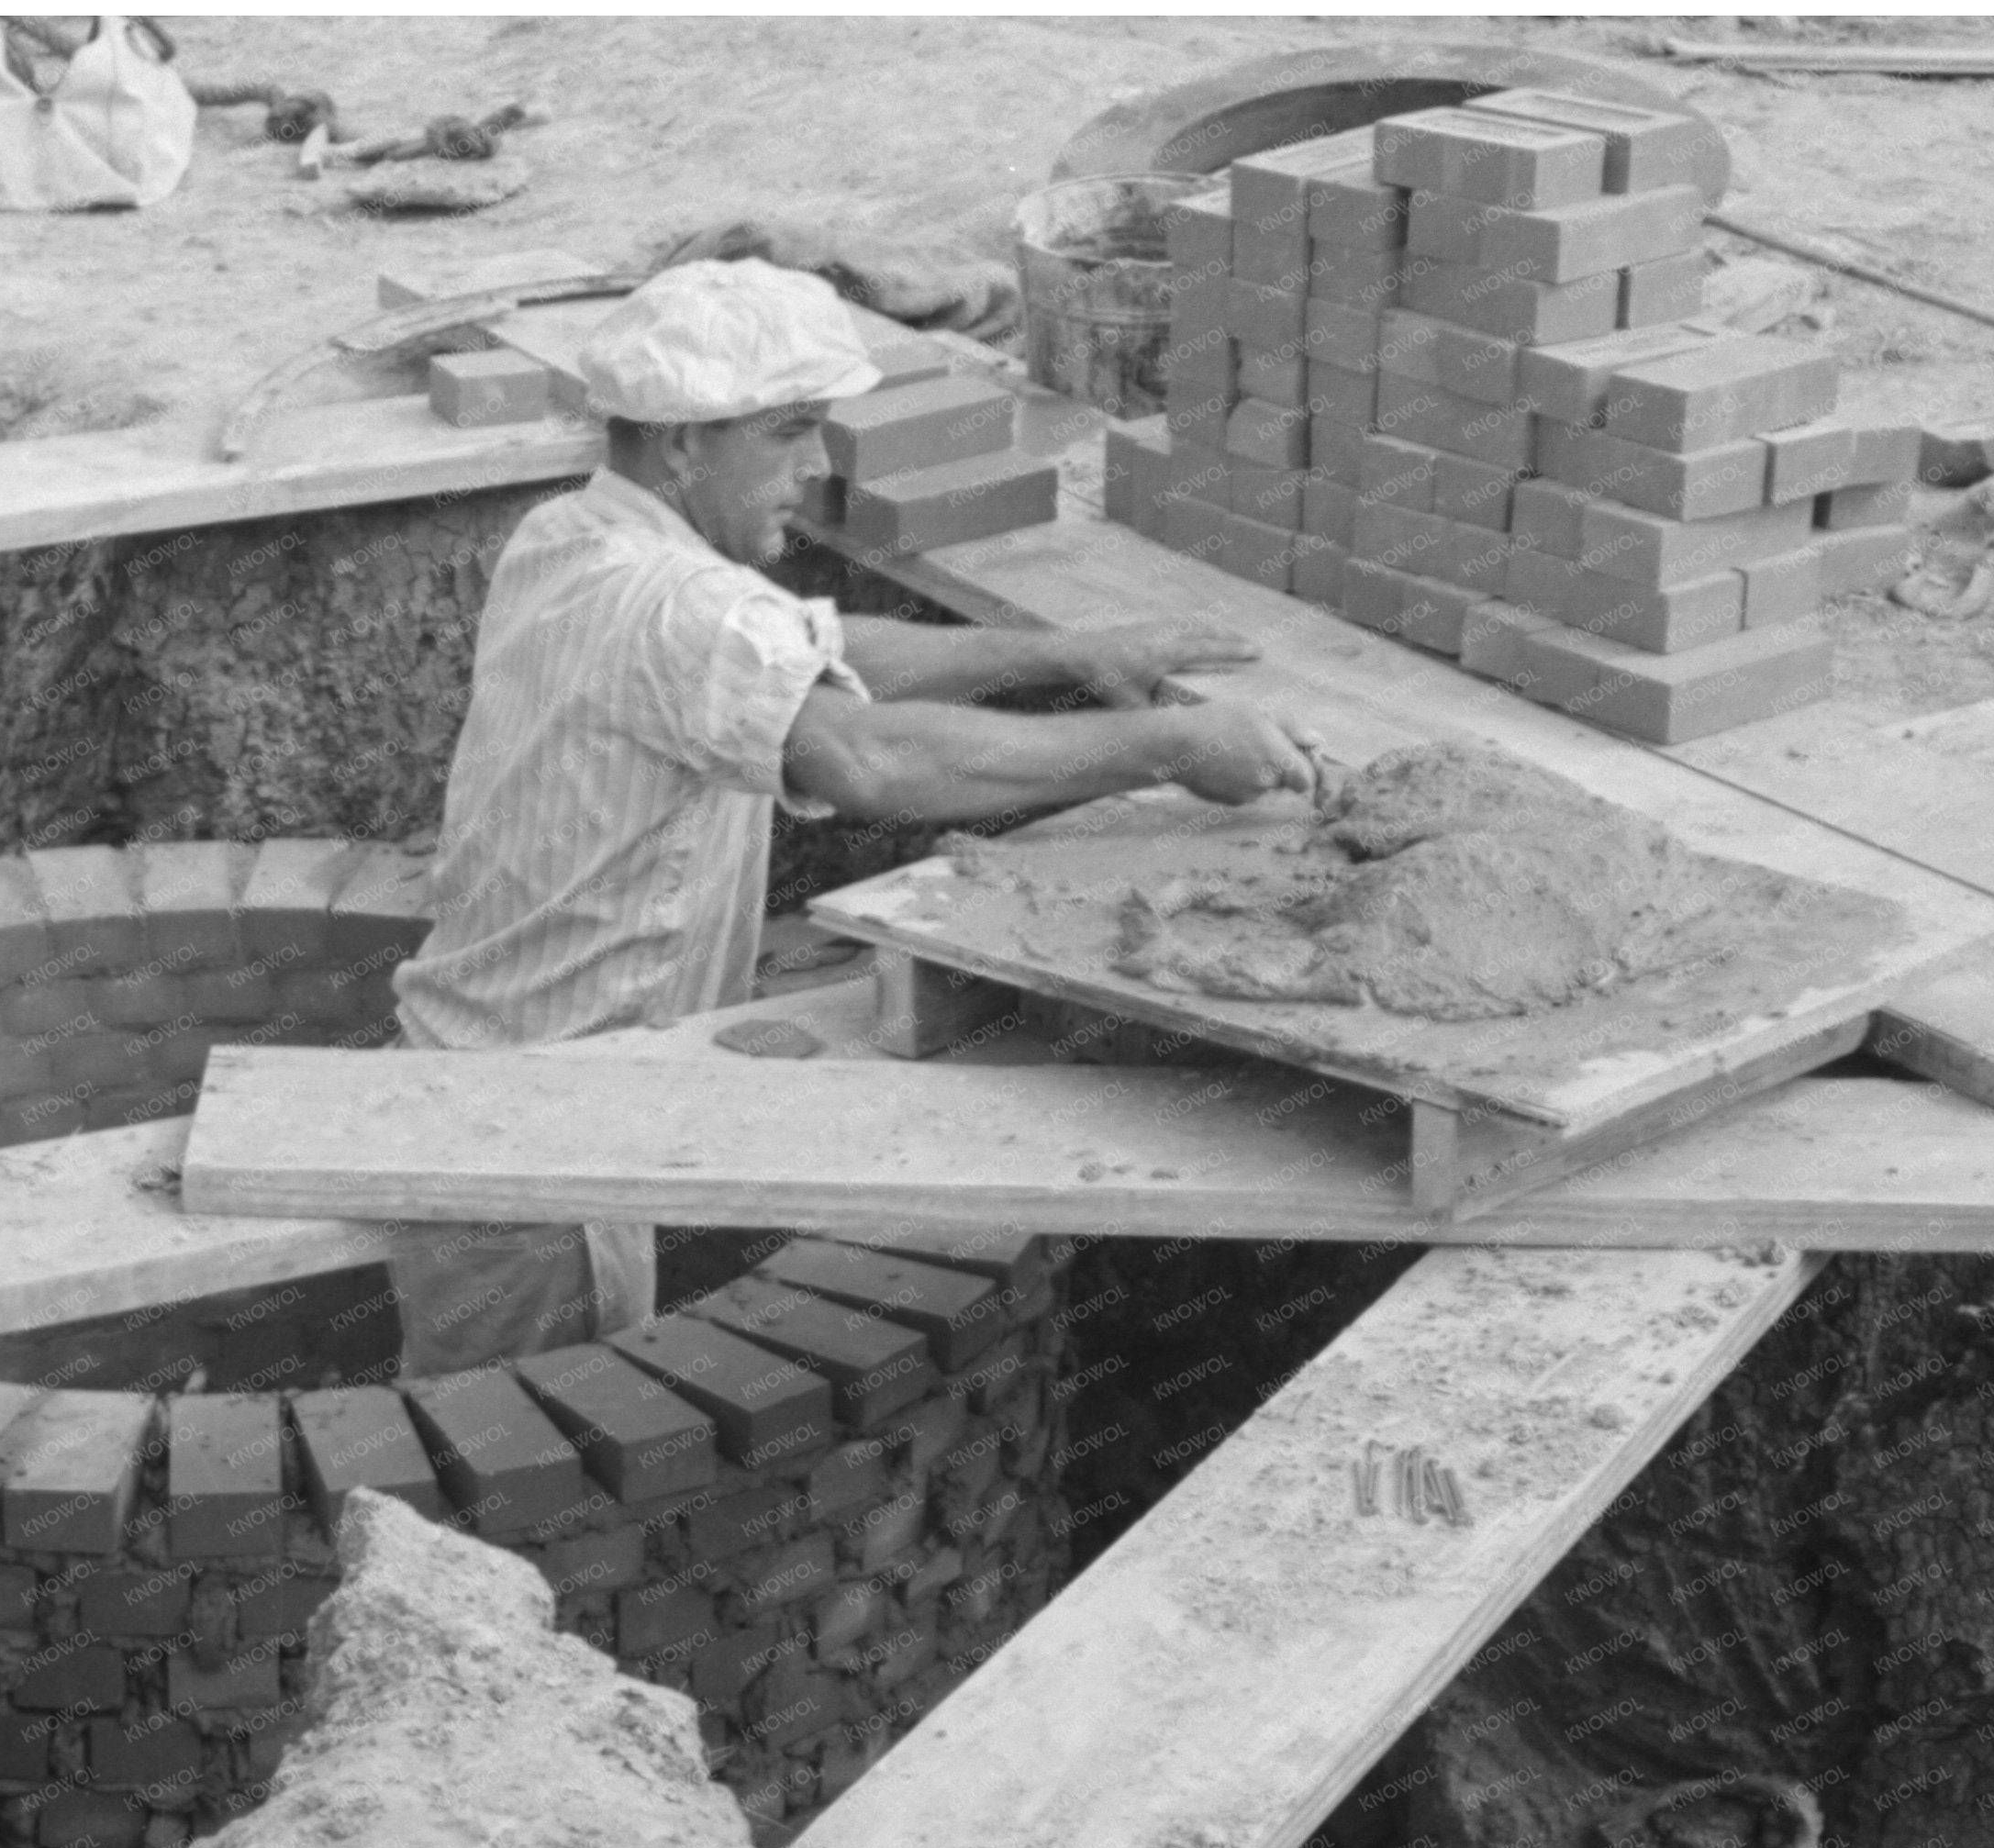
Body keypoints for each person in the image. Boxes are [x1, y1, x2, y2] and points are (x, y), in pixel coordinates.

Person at [382, 257, 1319, 1376]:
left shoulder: (577, 536)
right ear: (683, 441)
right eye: (786, 433)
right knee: (501, 1466)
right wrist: (1162, 746)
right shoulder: (680, 607)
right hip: (532, 1130)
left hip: (488, 1064)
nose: (815, 468)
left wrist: (1062, 653)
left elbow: (814, 652)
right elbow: (864, 757)